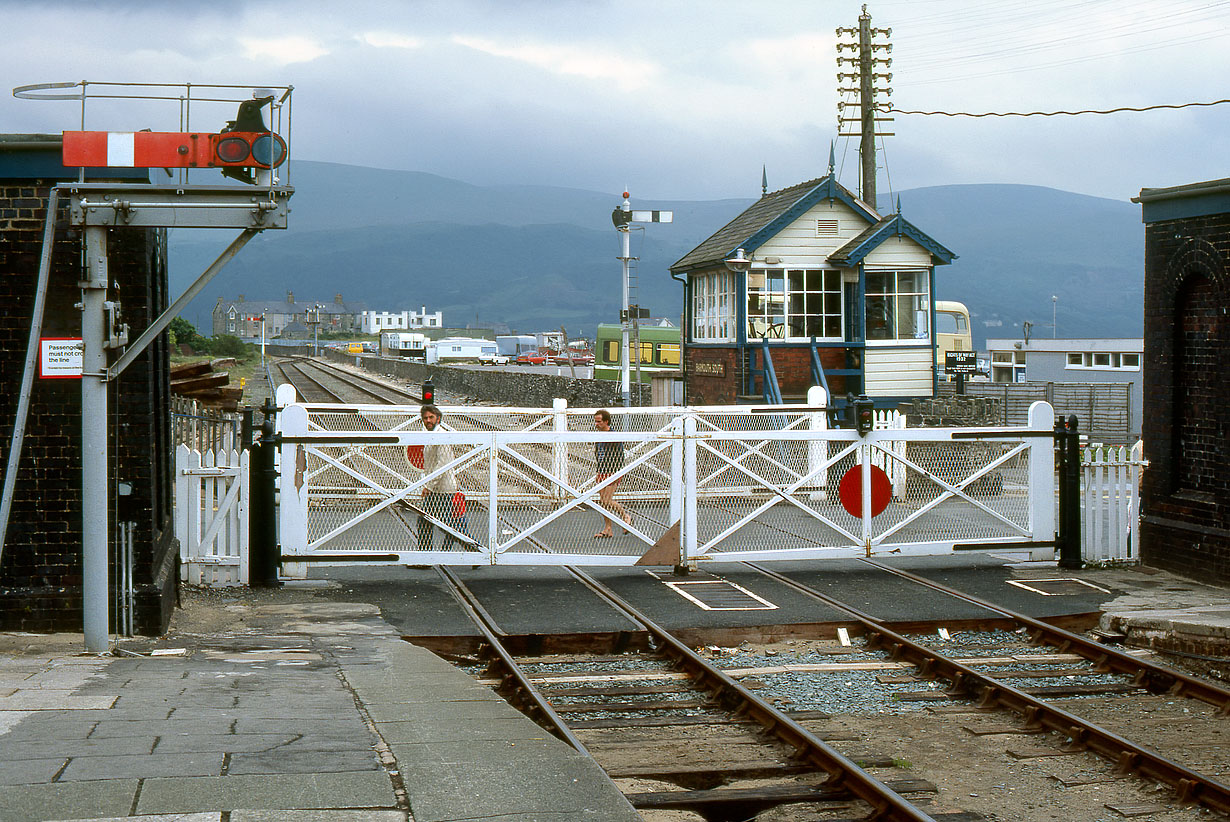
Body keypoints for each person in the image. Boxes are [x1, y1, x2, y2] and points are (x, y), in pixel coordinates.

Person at [416, 404, 469, 550]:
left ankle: (474, 549)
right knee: (431, 522)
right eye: (425, 418)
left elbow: (442, 465)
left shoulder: (442, 435)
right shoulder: (431, 434)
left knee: (446, 525)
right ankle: (425, 556)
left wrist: (428, 486)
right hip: (437, 489)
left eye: (431, 417)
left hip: (443, 489)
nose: (428, 420)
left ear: (438, 418)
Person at [592, 408, 633, 538]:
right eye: (595, 421)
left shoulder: (614, 435)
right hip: (602, 470)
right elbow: (597, 453)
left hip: (612, 471)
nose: (596, 424)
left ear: (606, 421)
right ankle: (608, 528)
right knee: (602, 502)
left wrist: (616, 472)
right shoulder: (598, 435)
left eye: (599, 422)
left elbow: (620, 455)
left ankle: (625, 516)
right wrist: (599, 470)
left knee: (606, 500)